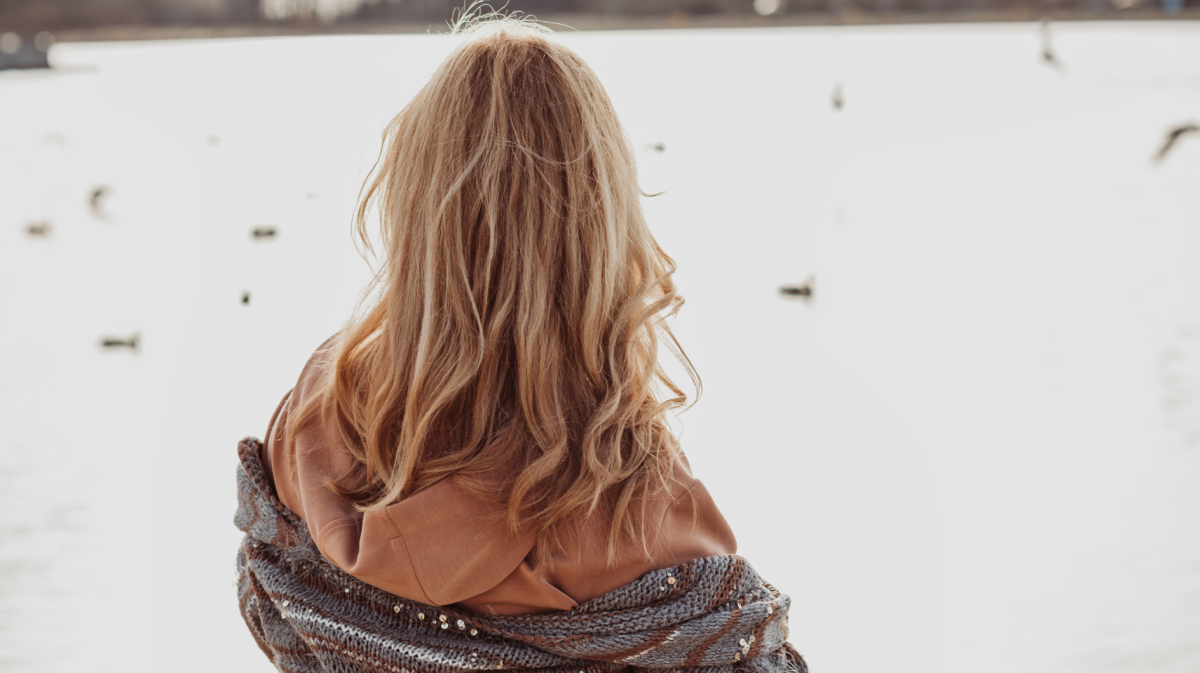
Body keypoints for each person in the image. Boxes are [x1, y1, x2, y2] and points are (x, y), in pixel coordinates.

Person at [234, 14, 806, 673]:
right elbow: (738, 651)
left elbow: (265, 581)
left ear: (415, 205)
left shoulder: (316, 419)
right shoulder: (631, 499)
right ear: (603, 222)